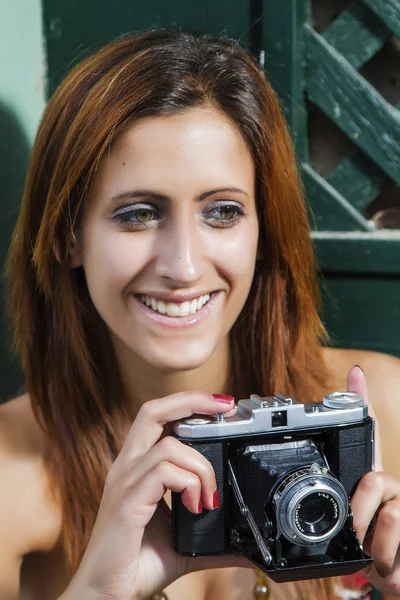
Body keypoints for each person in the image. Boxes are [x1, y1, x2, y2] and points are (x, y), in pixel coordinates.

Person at [2, 29, 400, 600]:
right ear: (68, 237)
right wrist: (97, 589)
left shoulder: (385, 407)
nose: (184, 266)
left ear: (264, 231)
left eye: (222, 211)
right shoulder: (8, 480)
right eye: (138, 214)